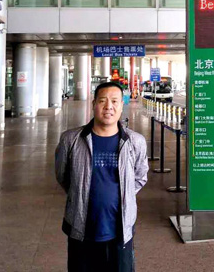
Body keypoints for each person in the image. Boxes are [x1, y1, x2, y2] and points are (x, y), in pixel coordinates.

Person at [55, 81, 149, 271]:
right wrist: (79, 194)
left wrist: (124, 196)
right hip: (81, 227)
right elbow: (63, 175)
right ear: (94, 104)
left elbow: (140, 176)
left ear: (121, 105)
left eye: (114, 101)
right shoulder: (70, 139)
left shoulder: (135, 141)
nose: (108, 106)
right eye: (102, 101)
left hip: (121, 229)